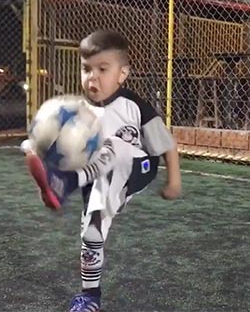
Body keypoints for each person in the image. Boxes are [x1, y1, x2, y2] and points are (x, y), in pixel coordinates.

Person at [22, 29, 182, 312]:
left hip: (138, 168)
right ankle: (90, 298)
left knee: (115, 146)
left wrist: (174, 181)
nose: (92, 77)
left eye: (102, 69)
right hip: (100, 181)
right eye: (86, 69)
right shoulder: (76, 112)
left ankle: (66, 183)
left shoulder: (136, 106)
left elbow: (167, 145)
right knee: (91, 237)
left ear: (122, 74)